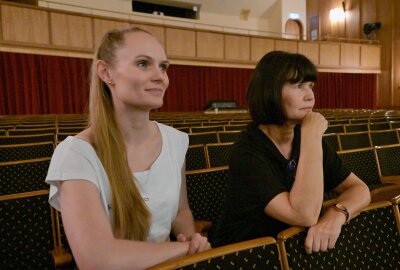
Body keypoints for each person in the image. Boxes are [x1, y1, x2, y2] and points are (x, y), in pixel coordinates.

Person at [46, 27, 210, 269]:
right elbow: (97, 260)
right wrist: (183, 250)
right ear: (106, 72)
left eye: (163, 66)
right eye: (143, 64)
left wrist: (191, 244)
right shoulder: (76, 154)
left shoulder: (176, 141)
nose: (160, 76)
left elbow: (180, 212)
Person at [211, 51, 371, 253]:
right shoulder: (247, 153)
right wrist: (312, 136)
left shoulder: (306, 138)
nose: (310, 95)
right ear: (270, 91)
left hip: (291, 251)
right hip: (244, 256)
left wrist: (337, 213)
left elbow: (360, 189)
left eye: (311, 85)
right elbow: (304, 215)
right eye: (298, 86)